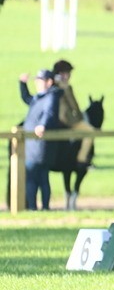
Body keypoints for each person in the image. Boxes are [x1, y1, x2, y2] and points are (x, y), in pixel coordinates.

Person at [20, 69, 62, 211]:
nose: (37, 83)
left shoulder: (51, 97)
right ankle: (39, 207)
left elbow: (49, 113)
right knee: (40, 177)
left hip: (40, 146)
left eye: (40, 80)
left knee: (35, 177)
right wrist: (22, 84)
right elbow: (27, 98)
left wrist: (42, 125)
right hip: (34, 145)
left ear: (49, 82)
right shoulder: (40, 97)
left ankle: (35, 207)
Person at [51, 59, 94, 165]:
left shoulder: (53, 85)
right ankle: (81, 159)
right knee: (90, 131)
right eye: (68, 73)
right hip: (68, 121)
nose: (69, 76)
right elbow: (73, 104)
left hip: (62, 120)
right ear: (61, 74)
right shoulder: (62, 87)